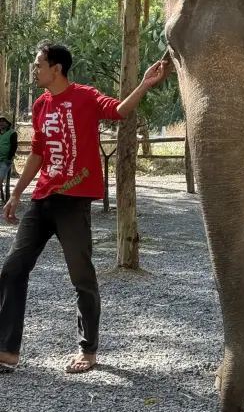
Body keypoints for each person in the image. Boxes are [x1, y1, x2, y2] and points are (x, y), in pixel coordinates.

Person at [0, 41, 171, 374]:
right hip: (42, 200)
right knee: (12, 269)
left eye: (38, 64)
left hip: (74, 202)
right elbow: (37, 153)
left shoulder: (86, 96)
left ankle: (88, 351)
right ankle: (7, 350)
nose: (35, 69)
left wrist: (145, 84)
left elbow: (120, 111)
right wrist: (18, 193)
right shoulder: (39, 105)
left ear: (56, 69)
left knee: (82, 277)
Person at [0, 115, 17, 204]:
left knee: (0, 179)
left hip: (5, 160)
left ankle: (4, 198)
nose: (1, 123)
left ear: (7, 123)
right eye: (0, 121)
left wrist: (10, 158)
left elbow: (14, 146)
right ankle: (2, 198)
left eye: (3, 121)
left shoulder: (12, 133)